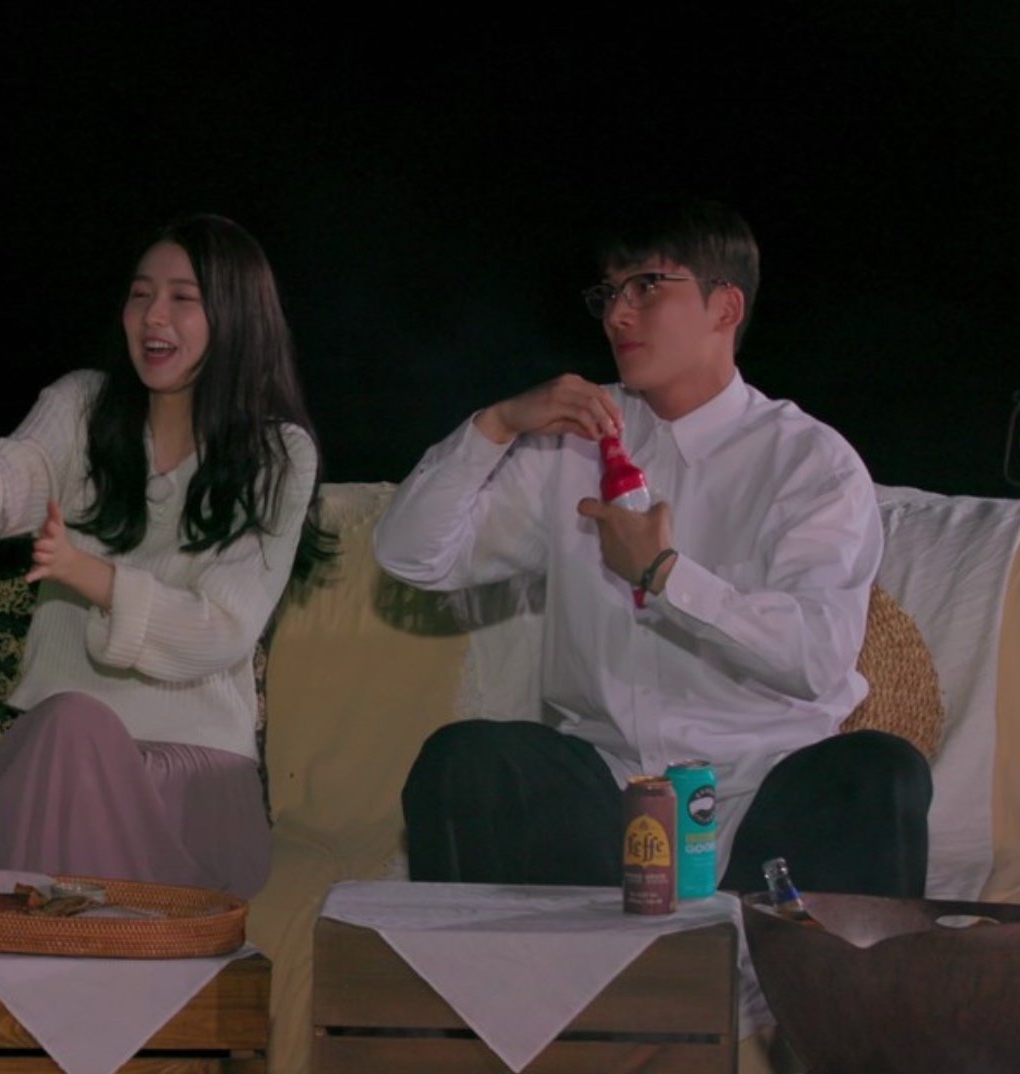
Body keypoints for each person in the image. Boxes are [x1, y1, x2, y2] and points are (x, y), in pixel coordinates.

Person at [374, 198, 931, 896]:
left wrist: (666, 575)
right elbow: (414, 556)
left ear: (725, 307)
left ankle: (776, 955)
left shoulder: (808, 461)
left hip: (766, 790)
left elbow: (817, 657)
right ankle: (542, 970)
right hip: (605, 789)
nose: (617, 315)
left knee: (883, 773)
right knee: (466, 760)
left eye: (645, 287)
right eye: (608, 293)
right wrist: (496, 424)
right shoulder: (574, 438)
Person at [0, 214, 332, 898]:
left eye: (182, 297)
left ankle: (55, 955)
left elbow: (221, 630)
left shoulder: (278, 455)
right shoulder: (82, 405)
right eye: (140, 294)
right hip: (57, 767)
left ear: (237, 317)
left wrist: (88, 574)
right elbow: (21, 475)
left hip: (195, 791)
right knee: (71, 724)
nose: (152, 315)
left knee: (72, 725)